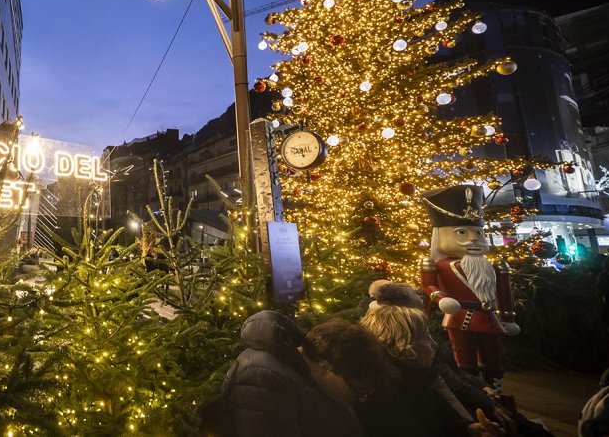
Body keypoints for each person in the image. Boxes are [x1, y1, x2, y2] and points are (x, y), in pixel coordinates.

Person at [362, 283, 553, 437]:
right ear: (404, 343)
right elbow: (449, 388)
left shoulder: (418, 374)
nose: (433, 345)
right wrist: (482, 407)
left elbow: (445, 406)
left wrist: (469, 424)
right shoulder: (397, 393)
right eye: (418, 306)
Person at [219, 310, 390, 436]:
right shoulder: (262, 379)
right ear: (325, 368)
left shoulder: (302, 372)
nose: (360, 399)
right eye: (356, 391)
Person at [420, 185, 520, 388]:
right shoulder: (439, 265)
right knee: (465, 360)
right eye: (462, 232)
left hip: (491, 318)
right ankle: (473, 389)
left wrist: (508, 318)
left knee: (493, 359)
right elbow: (429, 285)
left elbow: (503, 292)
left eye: (478, 232)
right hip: (460, 318)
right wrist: (442, 299)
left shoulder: (493, 266)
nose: (474, 238)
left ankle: (495, 388)